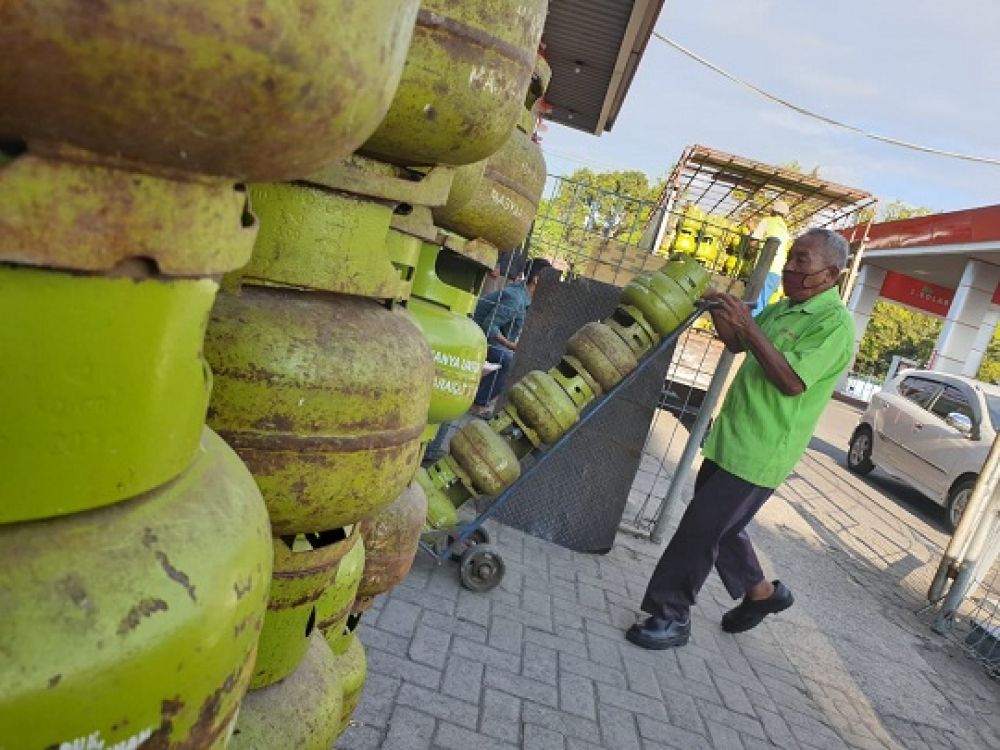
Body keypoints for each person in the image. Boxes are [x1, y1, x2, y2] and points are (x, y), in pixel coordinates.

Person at [625, 228, 855, 650]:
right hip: (730, 438)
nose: (790, 267)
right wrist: (719, 310)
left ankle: (671, 615)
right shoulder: (784, 308)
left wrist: (749, 325)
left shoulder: (834, 325)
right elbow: (736, 343)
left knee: (699, 531)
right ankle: (762, 594)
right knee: (722, 528)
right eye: (791, 257)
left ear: (830, 275)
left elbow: (791, 381)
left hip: (761, 453)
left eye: (801, 260)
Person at [470, 257, 552, 416]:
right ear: (536, 279)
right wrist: (511, 345)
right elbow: (490, 326)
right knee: (510, 360)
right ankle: (478, 403)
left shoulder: (524, 295)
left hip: (484, 337)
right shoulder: (516, 298)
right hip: (476, 337)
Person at [749, 200, 792, 316]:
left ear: (772, 211)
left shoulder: (767, 221)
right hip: (778, 271)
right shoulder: (785, 230)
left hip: (765, 265)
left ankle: (746, 324)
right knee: (762, 301)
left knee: (753, 298)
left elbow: (753, 243)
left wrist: (751, 229)